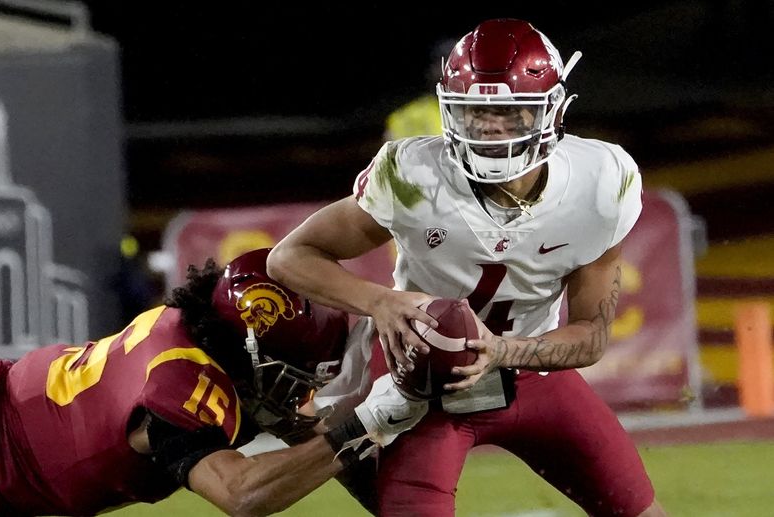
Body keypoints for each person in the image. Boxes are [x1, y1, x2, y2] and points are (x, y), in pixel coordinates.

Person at [268, 18, 666, 517]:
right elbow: (289, 257)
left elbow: (591, 335)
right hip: (418, 385)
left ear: (552, 111)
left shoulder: (602, 183)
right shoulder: (413, 174)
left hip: (534, 377)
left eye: (514, 112)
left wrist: (501, 350)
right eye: (477, 109)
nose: (492, 126)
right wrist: (381, 302)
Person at [0, 248, 427, 516]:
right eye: (298, 373)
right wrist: (369, 421)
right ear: (255, 352)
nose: (304, 395)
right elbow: (241, 495)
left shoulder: (218, 340)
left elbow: (325, 441)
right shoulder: (181, 385)